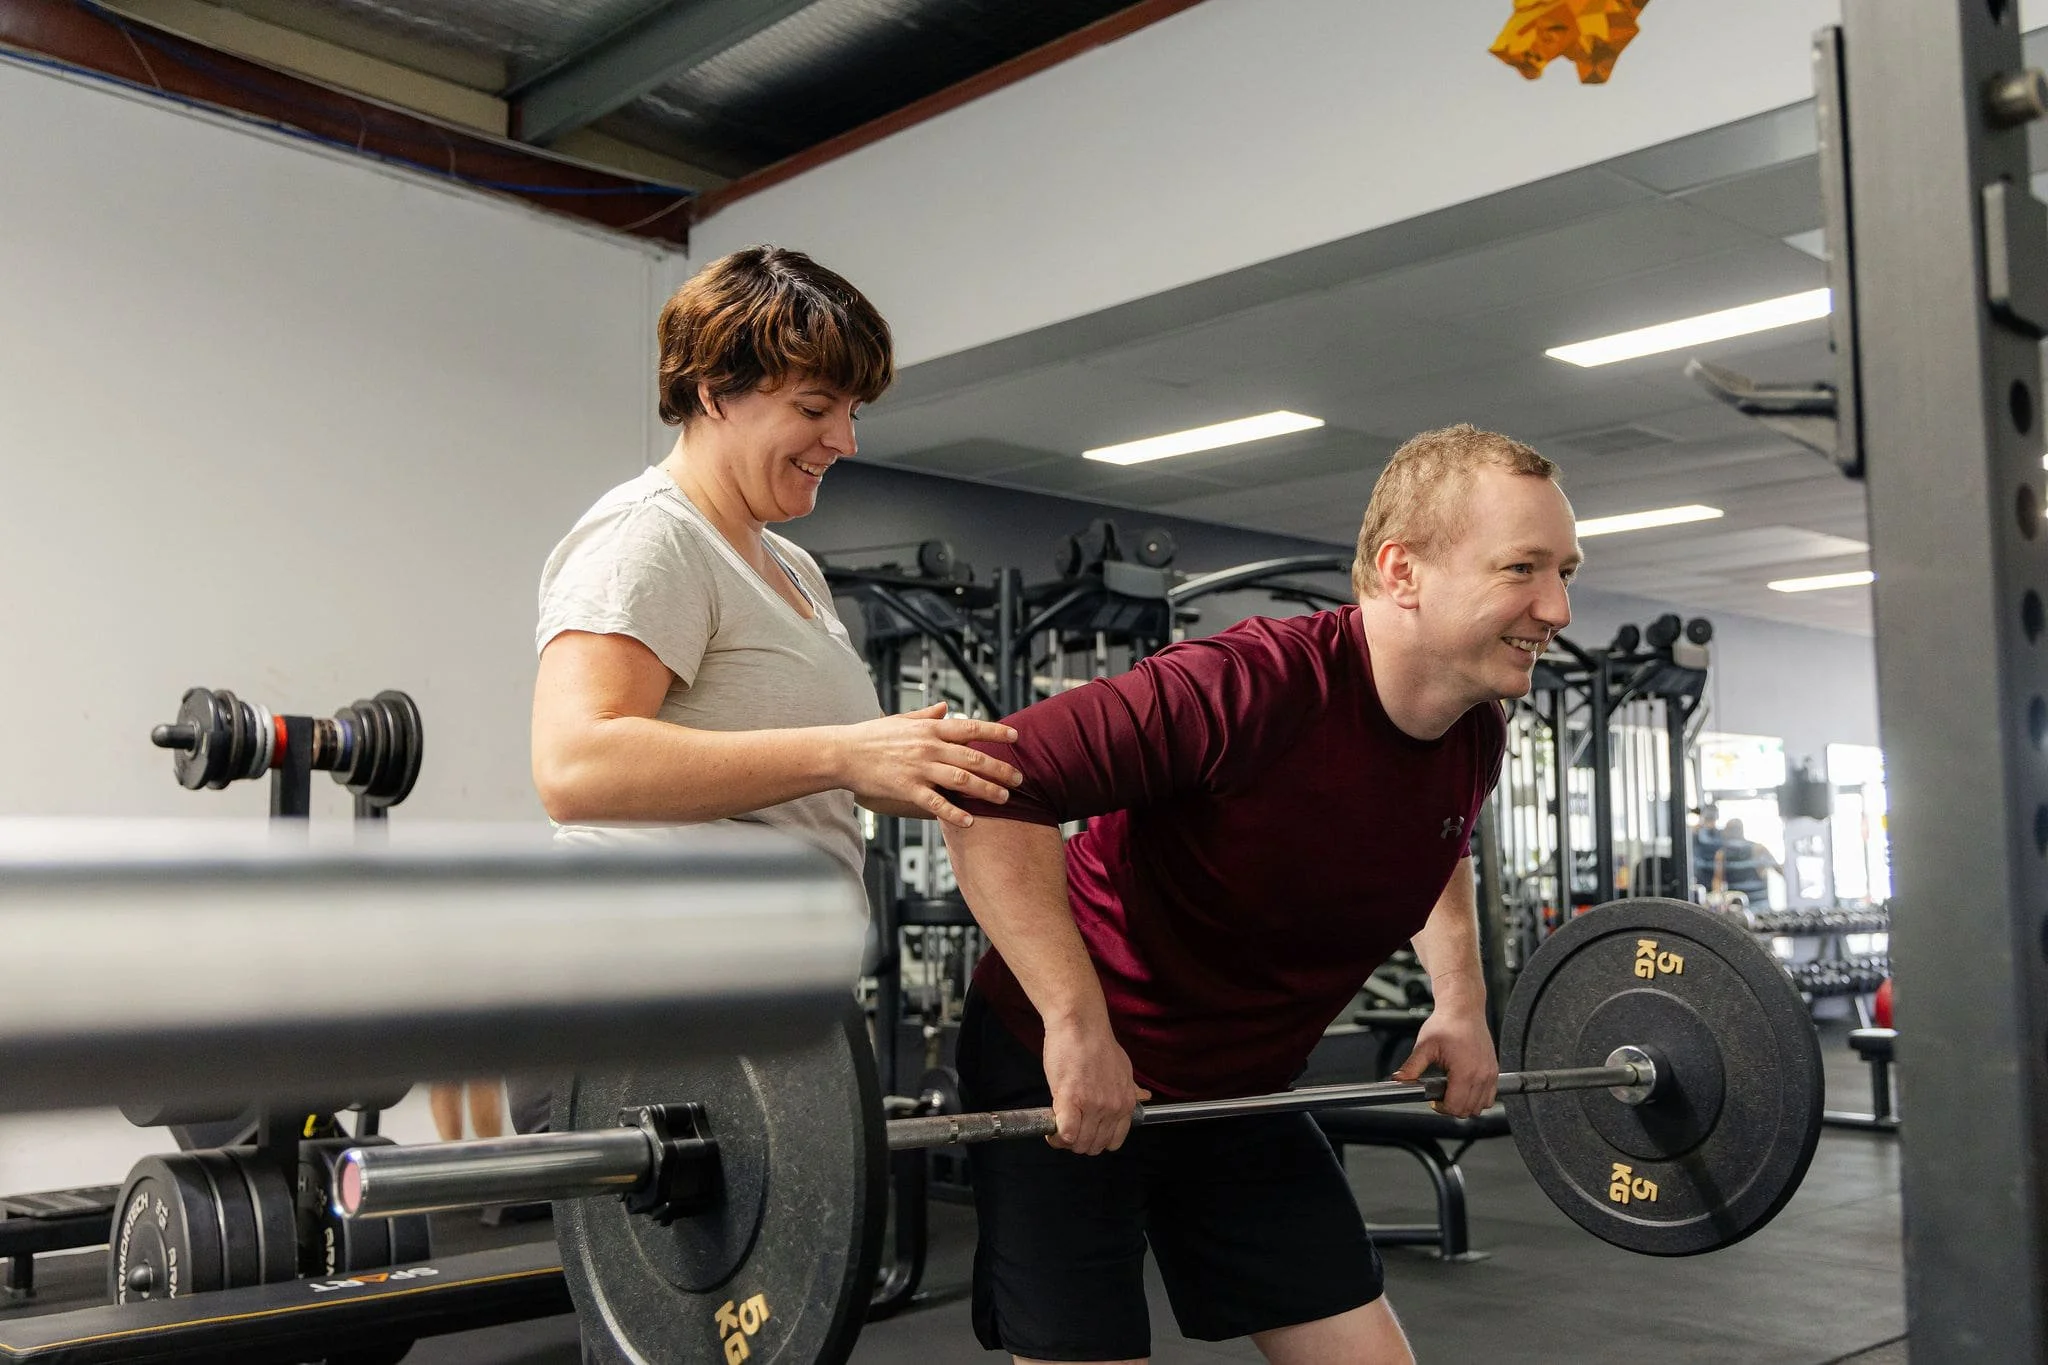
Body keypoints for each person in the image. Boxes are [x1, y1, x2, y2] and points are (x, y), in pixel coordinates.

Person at [941, 424, 1580, 1365]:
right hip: (1066, 1063)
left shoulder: (1473, 725)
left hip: (1238, 1088)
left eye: (1566, 569)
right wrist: (1078, 1024)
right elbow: (987, 785)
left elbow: (1439, 839)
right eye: (1523, 567)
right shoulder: (1242, 688)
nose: (1558, 607)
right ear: (1402, 571)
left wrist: (1462, 998)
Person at [520, 245, 1022, 1130]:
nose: (846, 440)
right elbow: (576, 762)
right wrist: (842, 751)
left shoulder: (789, 564)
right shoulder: (652, 538)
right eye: (815, 407)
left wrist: (907, 764)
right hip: (648, 990)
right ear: (716, 391)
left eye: (852, 411)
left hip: (761, 997)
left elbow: (793, 775)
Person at [1714, 818, 1783, 906]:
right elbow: (1717, 881)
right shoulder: (1721, 854)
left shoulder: (1759, 849)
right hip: (1739, 907)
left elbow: (1780, 870)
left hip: (1757, 906)